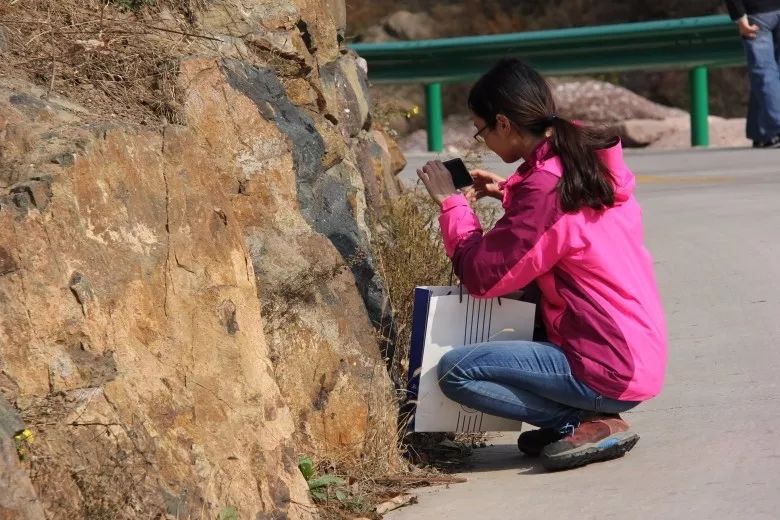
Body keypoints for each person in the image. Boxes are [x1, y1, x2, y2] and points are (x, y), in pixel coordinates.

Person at [416, 59, 667, 471]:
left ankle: (579, 422)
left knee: (455, 371)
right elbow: (564, 226)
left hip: (605, 362)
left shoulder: (546, 188)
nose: (484, 141)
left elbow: (483, 277)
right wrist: (508, 192)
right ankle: (583, 415)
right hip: (634, 351)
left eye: (481, 130)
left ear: (503, 123)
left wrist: (451, 203)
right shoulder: (581, 163)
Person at [725, 0, 780, 147]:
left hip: (756, 12)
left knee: (764, 72)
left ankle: (776, 128)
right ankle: (761, 133)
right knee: (769, 76)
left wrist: (739, 16)